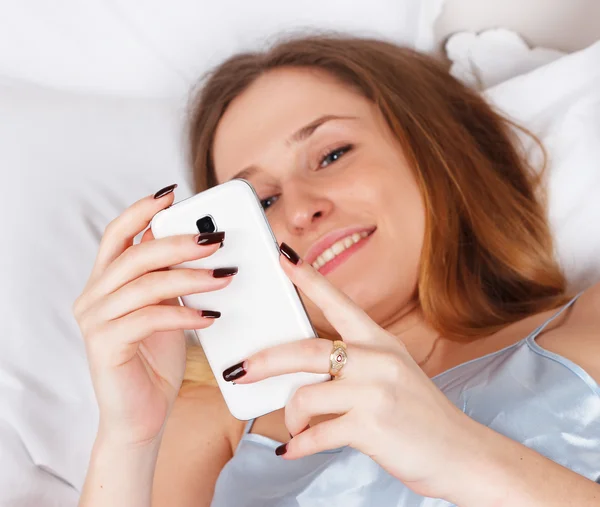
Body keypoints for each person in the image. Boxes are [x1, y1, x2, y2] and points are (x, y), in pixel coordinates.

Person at [73, 35, 600, 507]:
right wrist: (127, 441)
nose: (301, 210)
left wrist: (464, 458)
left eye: (331, 155)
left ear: (433, 149)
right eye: (262, 202)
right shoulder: (218, 420)